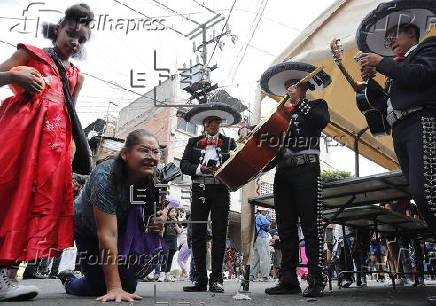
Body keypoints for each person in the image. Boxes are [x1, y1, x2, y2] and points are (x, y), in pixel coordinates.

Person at [0, 3, 93, 301]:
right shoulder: (31, 54)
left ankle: (6, 277)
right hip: (19, 140)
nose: (74, 42)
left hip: (52, 151)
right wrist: (15, 77)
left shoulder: (76, 75)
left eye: (81, 39)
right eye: (70, 33)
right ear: (57, 31)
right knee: (8, 197)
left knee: (31, 207)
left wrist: (69, 153)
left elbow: (70, 115)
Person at [59, 129, 167, 303]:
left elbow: (153, 214)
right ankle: (69, 281)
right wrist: (114, 288)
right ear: (125, 154)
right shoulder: (105, 177)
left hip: (121, 230)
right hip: (88, 230)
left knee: (129, 287)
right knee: (97, 287)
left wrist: (160, 220)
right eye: (144, 150)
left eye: (155, 152)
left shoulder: (152, 176)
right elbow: (107, 234)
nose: (151, 156)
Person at [358, 16, 436, 242]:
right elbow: (387, 105)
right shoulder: (397, 65)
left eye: (394, 36)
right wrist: (370, 84)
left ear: (412, 32)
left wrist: (382, 63)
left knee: (427, 192)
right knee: (420, 195)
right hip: (401, 129)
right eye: (387, 39)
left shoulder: (428, 48)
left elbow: (419, 76)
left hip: (422, 121)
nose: (389, 42)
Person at [260, 61, 331, 297]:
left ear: (303, 88)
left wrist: (299, 103)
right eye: (287, 86)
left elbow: (319, 122)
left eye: (294, 85)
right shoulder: (280, 117)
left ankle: (315, 278)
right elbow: (272, 150)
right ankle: (288, 279)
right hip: (283, 173)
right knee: (286, 226)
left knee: (311, 225)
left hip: (307, 169)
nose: (289, 89)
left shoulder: (316, 105)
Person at [181, 102, 240, 293]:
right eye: (211, 121)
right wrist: (201, 168)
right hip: (200, 189)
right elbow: (184, 165)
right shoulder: (193, 142)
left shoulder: (230, 142)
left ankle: (217, 279)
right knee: (197, 233)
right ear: (204, 124)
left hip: (220, 190)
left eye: (217, 121)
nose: (214, 124)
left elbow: (239, 162)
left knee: (220, 233)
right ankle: (199, 279)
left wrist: (225, 166)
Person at [160, 207, 182, 282]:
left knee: (170, 258)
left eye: (175, 212)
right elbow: (162, 231)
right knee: (165, 257)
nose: (174, 213)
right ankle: (162, 274)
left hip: (173, 241)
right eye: (172, 211)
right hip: (166, 241)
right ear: (169, 213)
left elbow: (179, 231)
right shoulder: (166, 220)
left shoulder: (177, 221)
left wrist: (175, 222)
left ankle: (167, 274)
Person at [250, 208, 272, 281]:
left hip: (257, 239)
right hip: (262, 238)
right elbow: (268, 223)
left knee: (256, 258)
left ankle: (252, 275)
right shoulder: (260, 216)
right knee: (265, 257)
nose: (266, 212)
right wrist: (269, 219)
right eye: (266, 211)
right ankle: (265, 276)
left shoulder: (256, 216)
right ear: (262, 211)